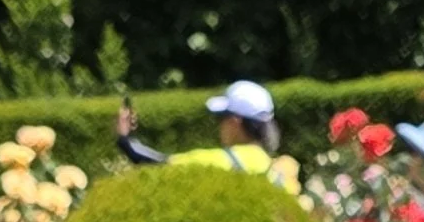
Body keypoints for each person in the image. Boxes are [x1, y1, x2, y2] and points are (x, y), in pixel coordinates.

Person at [116, 80, 297, 188]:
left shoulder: (219, 162)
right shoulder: (278, 172)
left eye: (220, 118)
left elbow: (159, 164)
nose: (218, 125)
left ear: (235, 122)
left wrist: (125, 139)